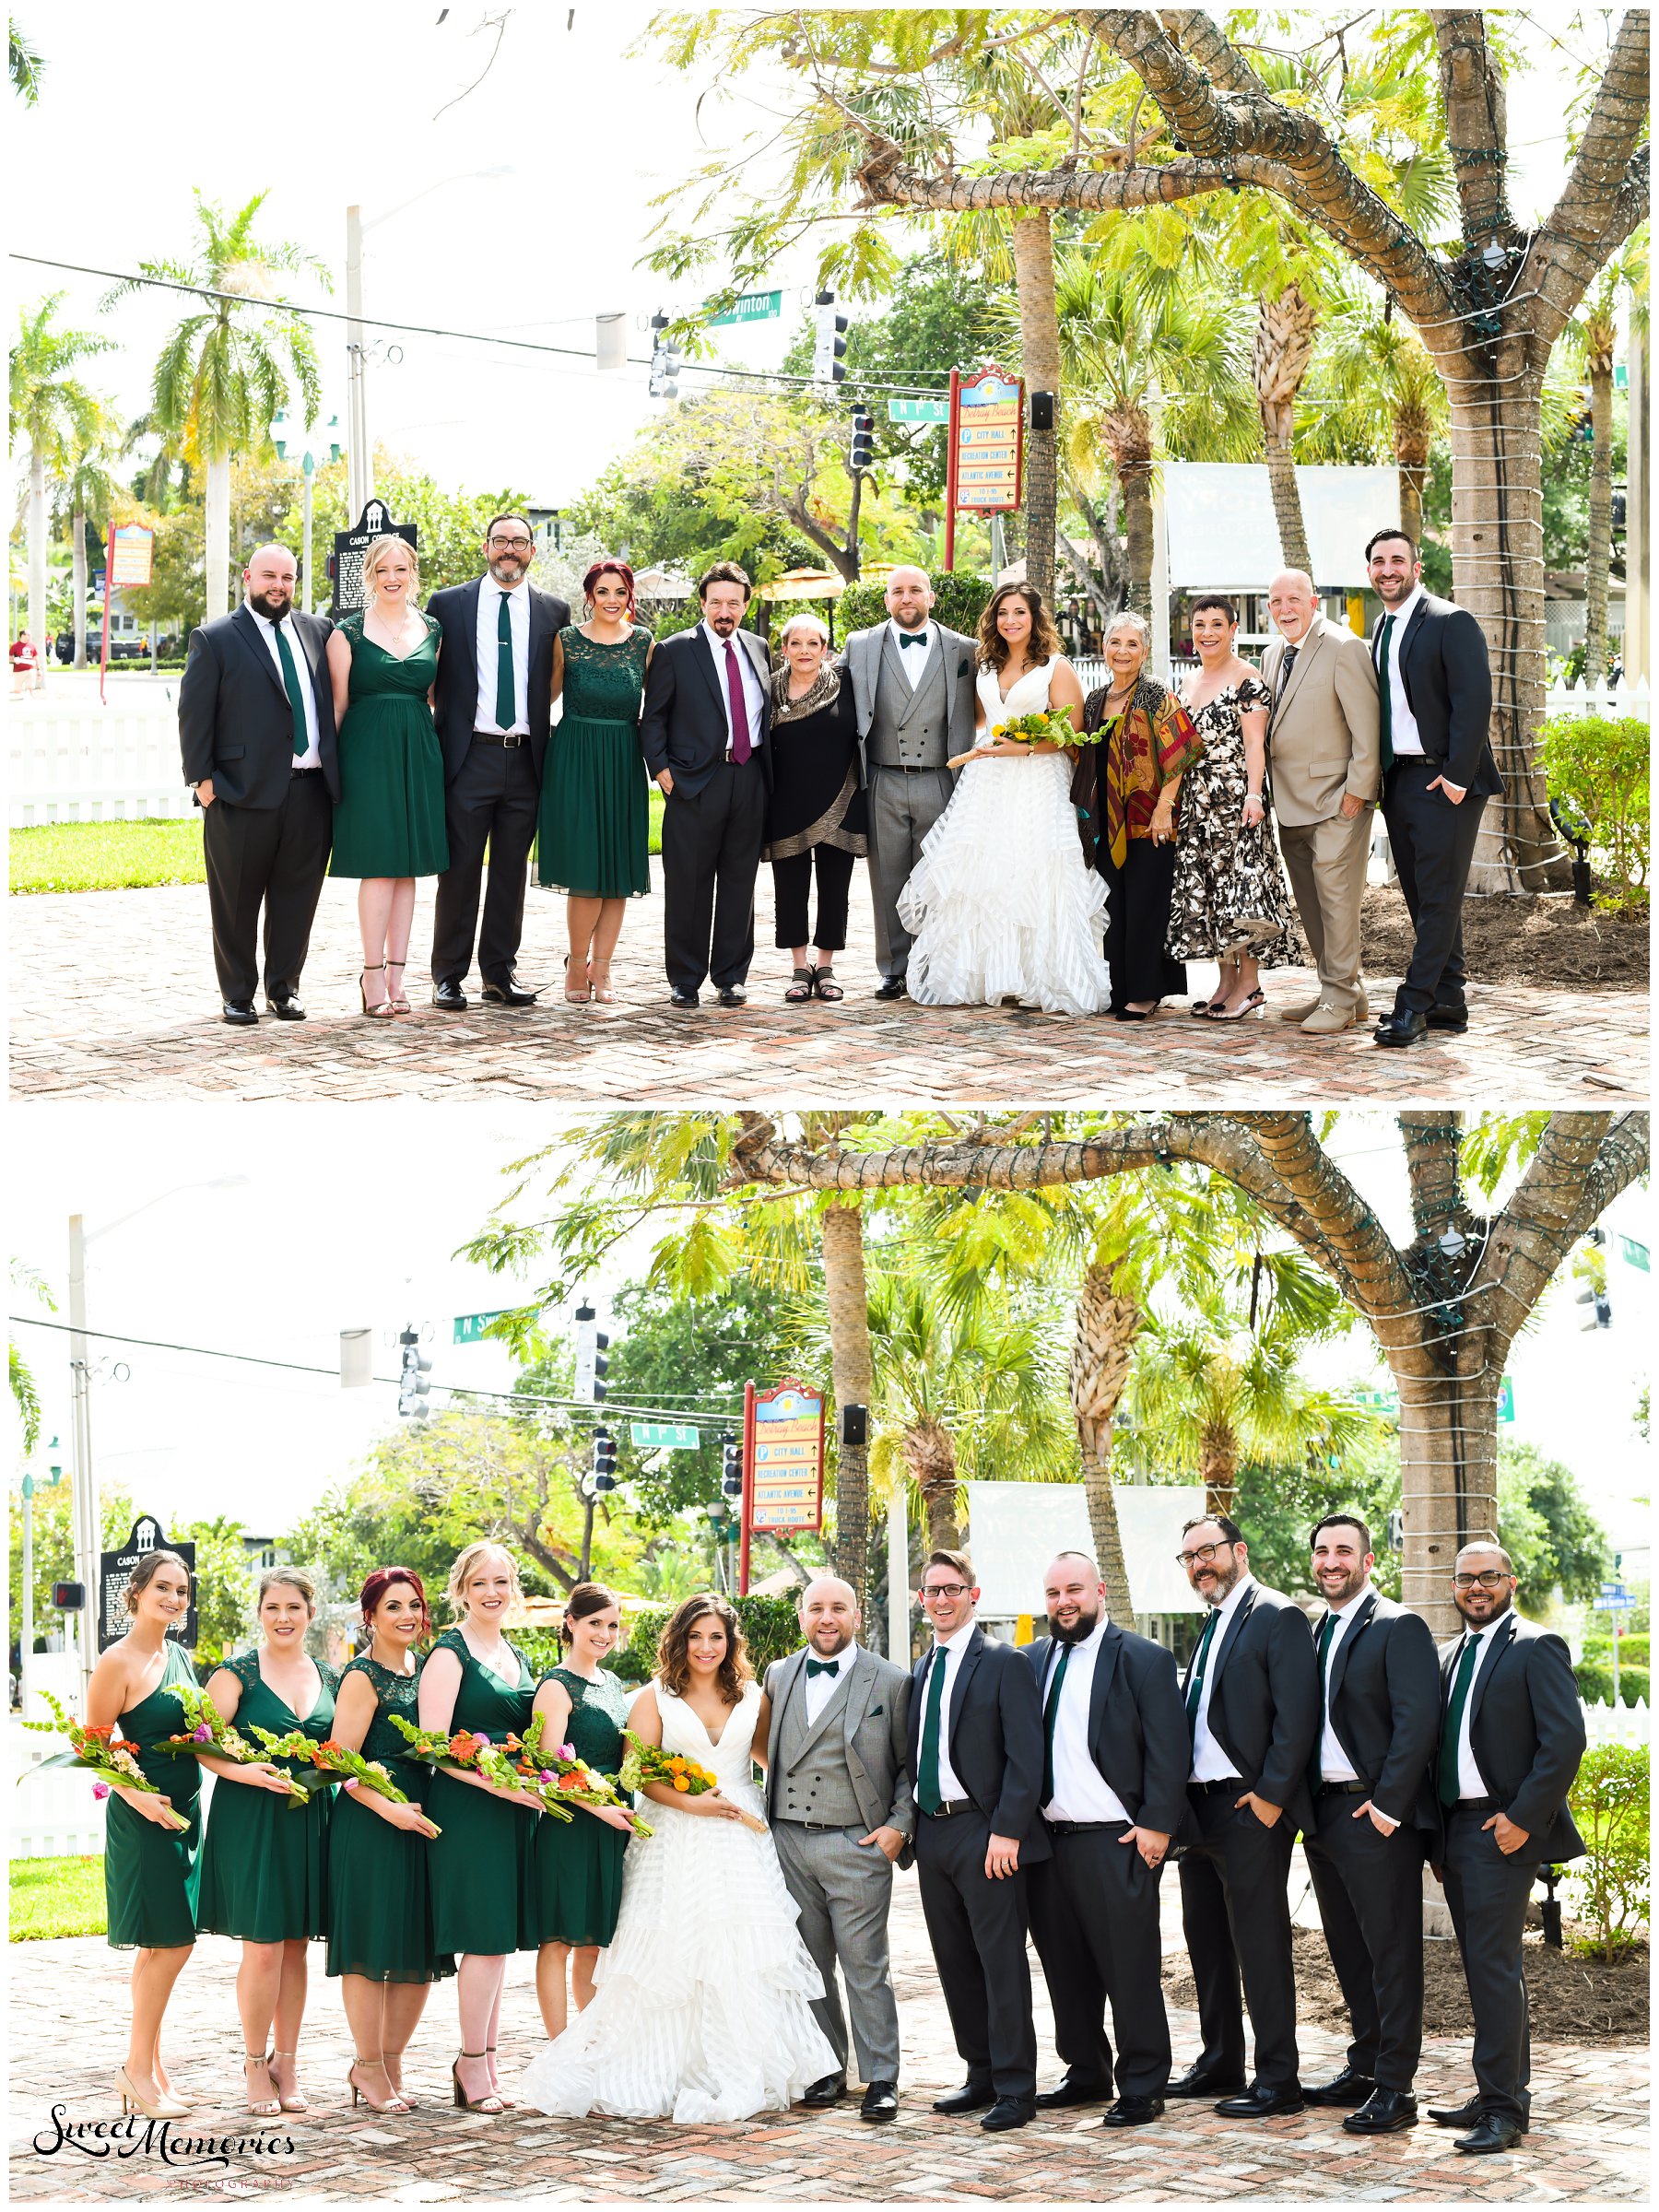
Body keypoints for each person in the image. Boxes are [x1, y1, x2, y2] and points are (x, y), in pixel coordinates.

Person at [518, 1594, 838, 2121]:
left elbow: (774, 1760)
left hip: (740, 1841)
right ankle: (651, 2064)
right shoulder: (653, 1698)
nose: (706, 1647)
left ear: (730, 1642)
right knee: (668, 1951)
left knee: (741, 1953)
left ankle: (741, 2063)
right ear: (679, 1640)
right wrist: (692, 1802)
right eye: (695, 1636)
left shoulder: (755, 1698)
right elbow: (638, 1773)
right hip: (672, 1836)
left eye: (716, 1637)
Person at [1429, 1542, 1585, 2155]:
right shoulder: (1448, 1657)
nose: (1476, 1587)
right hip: (1456, 1832)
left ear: (1510, 1582)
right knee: (1484, 1969)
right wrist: (1437, 1839)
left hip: (1503, 1831)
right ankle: (1495, 2091)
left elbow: (1564, 1741)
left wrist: (1523, 1819)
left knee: (1494, 1969)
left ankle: (1505, 2110)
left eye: (1488, 1577)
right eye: (1466, 1578)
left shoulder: (1535, 1646)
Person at [1023, 1551, 1187, 2130]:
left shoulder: (1143, 1659)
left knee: (1129, 1967)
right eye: (1053, 1593)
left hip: (1116, 1841)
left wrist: (1157, 1825)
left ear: (1099, 1592)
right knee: (1064, 1966)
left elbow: (1170, 1750)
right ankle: (1085, 2070)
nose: (1063, 1602)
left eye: (1074, 1590)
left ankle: (1143, 2082)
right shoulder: (1031, 1661)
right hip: (1047, 1842)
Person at [899, 582, 1110, 1015]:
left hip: (1038, 782)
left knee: (1038, 867)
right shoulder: (986, 666)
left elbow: (1072, 736)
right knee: (985, 871)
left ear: (1035, 618)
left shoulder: (1056, 667)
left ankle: (1042, 974)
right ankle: (985, 972)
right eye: (1002, 613)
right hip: (989, 784)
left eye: (1019, 612)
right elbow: (980, 723)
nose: (1010, 620)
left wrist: (1021, 747)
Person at [1171, 1514, 1318, 2119]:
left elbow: (1297, 1716)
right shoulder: (1211, 1625)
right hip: (1198, 1811)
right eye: (1188, 1558)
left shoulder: (1276, 1615)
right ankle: (1220, 2060)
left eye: (1207, 1551)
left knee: (1259, 1943)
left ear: (1239, 1549)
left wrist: (1270, 1797)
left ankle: (1278, 2078)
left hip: (1247, 1807)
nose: (1199, 1564)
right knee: (1205, 1943)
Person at [1298, 1516, 1440, 2136]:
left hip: (1374, 1815)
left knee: (1390, 1953)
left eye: (1343, 1551)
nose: (1332, 1560)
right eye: (1323, 1550)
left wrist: (1389, 1806)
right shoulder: (1312, 1630)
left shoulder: (1398, 1626)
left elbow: (1418, 1722)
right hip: (1323, 1816)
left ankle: (1396, 2085)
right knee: (1350, 1953)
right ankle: (1364, 2064)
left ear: (1368, 1560)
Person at [758, 1576, 913, 2123]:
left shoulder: (891, 1681)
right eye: (816, 1608)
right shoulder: (777, 1674)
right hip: (788, 1841)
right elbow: (763, 1749)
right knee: (809, 1963)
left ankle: (881, 2076)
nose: (828, 1618)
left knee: (865, 1965)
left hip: (857, 1841)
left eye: (838, 1608)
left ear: (857, 1614)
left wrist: (899, 1825)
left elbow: (908, 1766)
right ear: (801, 1616)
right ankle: (826, 2067)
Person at [908, 1548, 1047, 2133]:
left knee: (1000, 1962)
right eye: (932, 1591)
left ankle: (1016, 2088)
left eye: (951, 1588)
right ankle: (980, 2072)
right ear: (923, 1600)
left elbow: (1026, 1757)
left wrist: (1007, 1831)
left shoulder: (1003, 1662)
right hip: (931, 1830)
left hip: (984, 1830)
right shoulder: (919, 1668)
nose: (942, 1599)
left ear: (974, 1594)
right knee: (955, 1961)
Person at [195, 1568, 338, 2116]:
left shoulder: (328, 1674)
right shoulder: (235, 1676)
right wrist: (246, 1772)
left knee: (297, 1946)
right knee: (263, 1951)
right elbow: (202, 1748)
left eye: (294, 1608)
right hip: (252, 1817)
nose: (283, 1617)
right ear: (260, 1612)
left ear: (310, 1613)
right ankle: (254, 2062)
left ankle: (288, 2060)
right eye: (273, 1607)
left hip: (309, 1819)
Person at [178, 544, 337, 1025]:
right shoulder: (216, 637)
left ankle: (283, 989)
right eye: (269, 576)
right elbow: (193, 715)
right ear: (248, 577)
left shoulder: (319, 631)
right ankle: (238, 993)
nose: (278, 586)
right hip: (239, 793)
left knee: (297, 897)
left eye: (287, 578)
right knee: (236, 902)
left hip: (310, 790)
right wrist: (202, 782)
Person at [1365, 528, 1502, 1048]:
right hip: (1398, 778)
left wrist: (1456, 779)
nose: (1388, 569)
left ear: (1416, 567)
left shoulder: (1450, 620)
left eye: (1397, 560)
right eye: (1379, 562)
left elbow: (1473, 703)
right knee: (1423, 897)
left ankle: (1413, 1005)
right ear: (1370, 571)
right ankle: (1449, 999)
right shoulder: (1381, 627)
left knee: (1439, 898)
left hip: (1445, 778)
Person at [428, 514, 571, 1010]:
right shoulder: (449, 604)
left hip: (526, 760)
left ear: (532, 551)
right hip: (469, 757)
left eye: (519, 542)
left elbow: (553, 680)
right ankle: (448, 975)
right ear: (487, 547)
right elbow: (431, 673)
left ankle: (499, 973)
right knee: (461, 871)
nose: (509, 550)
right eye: (501, 541)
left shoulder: (555, 610)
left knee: (510, 873)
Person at [418, 1543, 541, 2114]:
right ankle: (470, 2064)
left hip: (513, 1808)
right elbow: (435, 1749)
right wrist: (500, 1786)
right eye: (480, 1583)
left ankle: (487, 2061)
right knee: (486, 1942)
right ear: (461, 1590)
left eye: (501, 1581)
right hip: (469, 1808)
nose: (492, 1592)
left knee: (499, 1945)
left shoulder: (512, 1650)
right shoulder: (449, 1654)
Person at [326, 1566, 450, 2115]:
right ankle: (368, 2063)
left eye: (414, 1605)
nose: (407, 1615)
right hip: (372, 1820)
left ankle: (390, 2059)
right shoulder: (362, 1676)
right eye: (394, 1606)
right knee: (370, 1947)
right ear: (370, 1616)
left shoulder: (427, 1670)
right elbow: (337, 1759)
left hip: (423, 1817)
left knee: (417, 1949)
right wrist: (388, 1809)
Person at [86, 1548, 202, 2120]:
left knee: (160, 1946)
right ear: (135, 1593)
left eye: (181, 1590)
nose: (173, 1599)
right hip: (143, 1816)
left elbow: (203, 1733)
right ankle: (135, 2070)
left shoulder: (180, 1656)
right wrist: (136, 1797)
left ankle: (152, 2070)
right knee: (172, 1943)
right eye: (163, 1588)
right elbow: (91, 1744)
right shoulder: (118, 1660)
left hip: (185, 1814)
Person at [639, 562, 773, 1009]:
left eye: (733, 602)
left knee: (740, 884)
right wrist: (662, 771)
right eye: (716, 601)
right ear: (703, 603)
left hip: (748, 777)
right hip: (694, 782)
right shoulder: (676, 650)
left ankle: (731, 977)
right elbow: (653, 717)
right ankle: (685, 978)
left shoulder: (758, 648)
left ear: (745, 605)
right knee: (688, 886)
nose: (724, 610)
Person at [841, 567, 977, 999]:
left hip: (941, 778)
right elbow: (837, 702)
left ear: (930, 598)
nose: (906, 598)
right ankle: (894, 968)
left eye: (915, 590)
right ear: (886, 600)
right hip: (881, 776)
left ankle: (933, 963)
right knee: (888, 878)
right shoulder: (859, 645)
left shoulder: (965, 650)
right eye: (897, 591)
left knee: (937, 877)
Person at [325, 535, 447, 1017]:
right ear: (368, 576)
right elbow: (337, 705)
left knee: (409, 867)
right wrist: (328, 771)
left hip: (418, 750)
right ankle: (371, 975)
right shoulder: (347, 632)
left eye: (400, 569)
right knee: (379, 865)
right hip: (366, 753)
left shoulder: (434, 629)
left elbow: (437, 697)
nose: (391, 579)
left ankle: (398, 978)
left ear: (412, 571)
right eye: (381, 571)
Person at [1169, 594, 1303, 1019]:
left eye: (1216, 625)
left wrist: (1254, 795)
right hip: (1195, 804)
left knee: (1239, 893)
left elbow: (1254, 746)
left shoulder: (1247, 679)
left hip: (1235, 802)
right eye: (1200, 625)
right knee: (1209, 893)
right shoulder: (1187, 683)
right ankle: (1224, 983)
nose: (1207, 633)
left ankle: (1250, 985)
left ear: (1232, 630)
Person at [1259, 570, 1381, 1034]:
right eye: (1276, 601)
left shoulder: (1344, 646)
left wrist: (1357, 793)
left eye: (1293, 599)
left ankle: (1339, 996)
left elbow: (1366, 729)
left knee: (1337, 901)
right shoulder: (1272, 655)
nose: (1284, 609)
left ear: (1313, 601)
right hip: (1289, 803)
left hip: (1336, 800)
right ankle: (1347, 991)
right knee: (1310, 902)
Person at [1074, 612, 1204, 1018]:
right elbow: (1083, 753)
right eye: (1116, 643)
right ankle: (1120, 988)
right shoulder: (1095, 700)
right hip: (1107, 822)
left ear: (1144, 652)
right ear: (1104, 648)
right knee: (1115, 908)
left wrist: (1166, 806)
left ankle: (1147, 992)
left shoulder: (1155, 694)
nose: (1122, 651)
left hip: (1149, 820)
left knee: (1147, 905)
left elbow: (1182, 753)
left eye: (1132, 644)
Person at [536, 559, 653, 1005]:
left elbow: (658, 710)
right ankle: (576, 961)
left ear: (629, 598)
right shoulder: (567, 642)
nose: (611, 600)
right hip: (575, 757)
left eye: (619, 592)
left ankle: (602, 967)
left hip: (623, 758)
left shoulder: (644, 643)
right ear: (589, 596)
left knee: (617, 868)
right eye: (602, 591)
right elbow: (542, 697)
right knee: (586, 867)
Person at [527, 1582, 636, 2042]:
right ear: (570, 1623)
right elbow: (547, 1768)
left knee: (592, 1940)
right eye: (595, 1623)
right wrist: (599, 1809)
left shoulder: (613, 1684)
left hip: (612, 1823)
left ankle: (589, 2044)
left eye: (612, 1625)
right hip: (570, 1824)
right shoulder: (555, 1685)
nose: (605, 1633)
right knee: (558, 1940)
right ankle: (559, 2046)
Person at [761, 614, 867, 1005]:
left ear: (825, 649)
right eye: (796, 643)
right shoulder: (768, 691)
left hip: (842, 799)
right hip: (785, 802)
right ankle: (798, 968)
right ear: (784, 648)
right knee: (789, 891)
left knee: (834, 890)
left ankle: (825, 967)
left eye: (813, 643)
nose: (804, 651)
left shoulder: (848, 686)